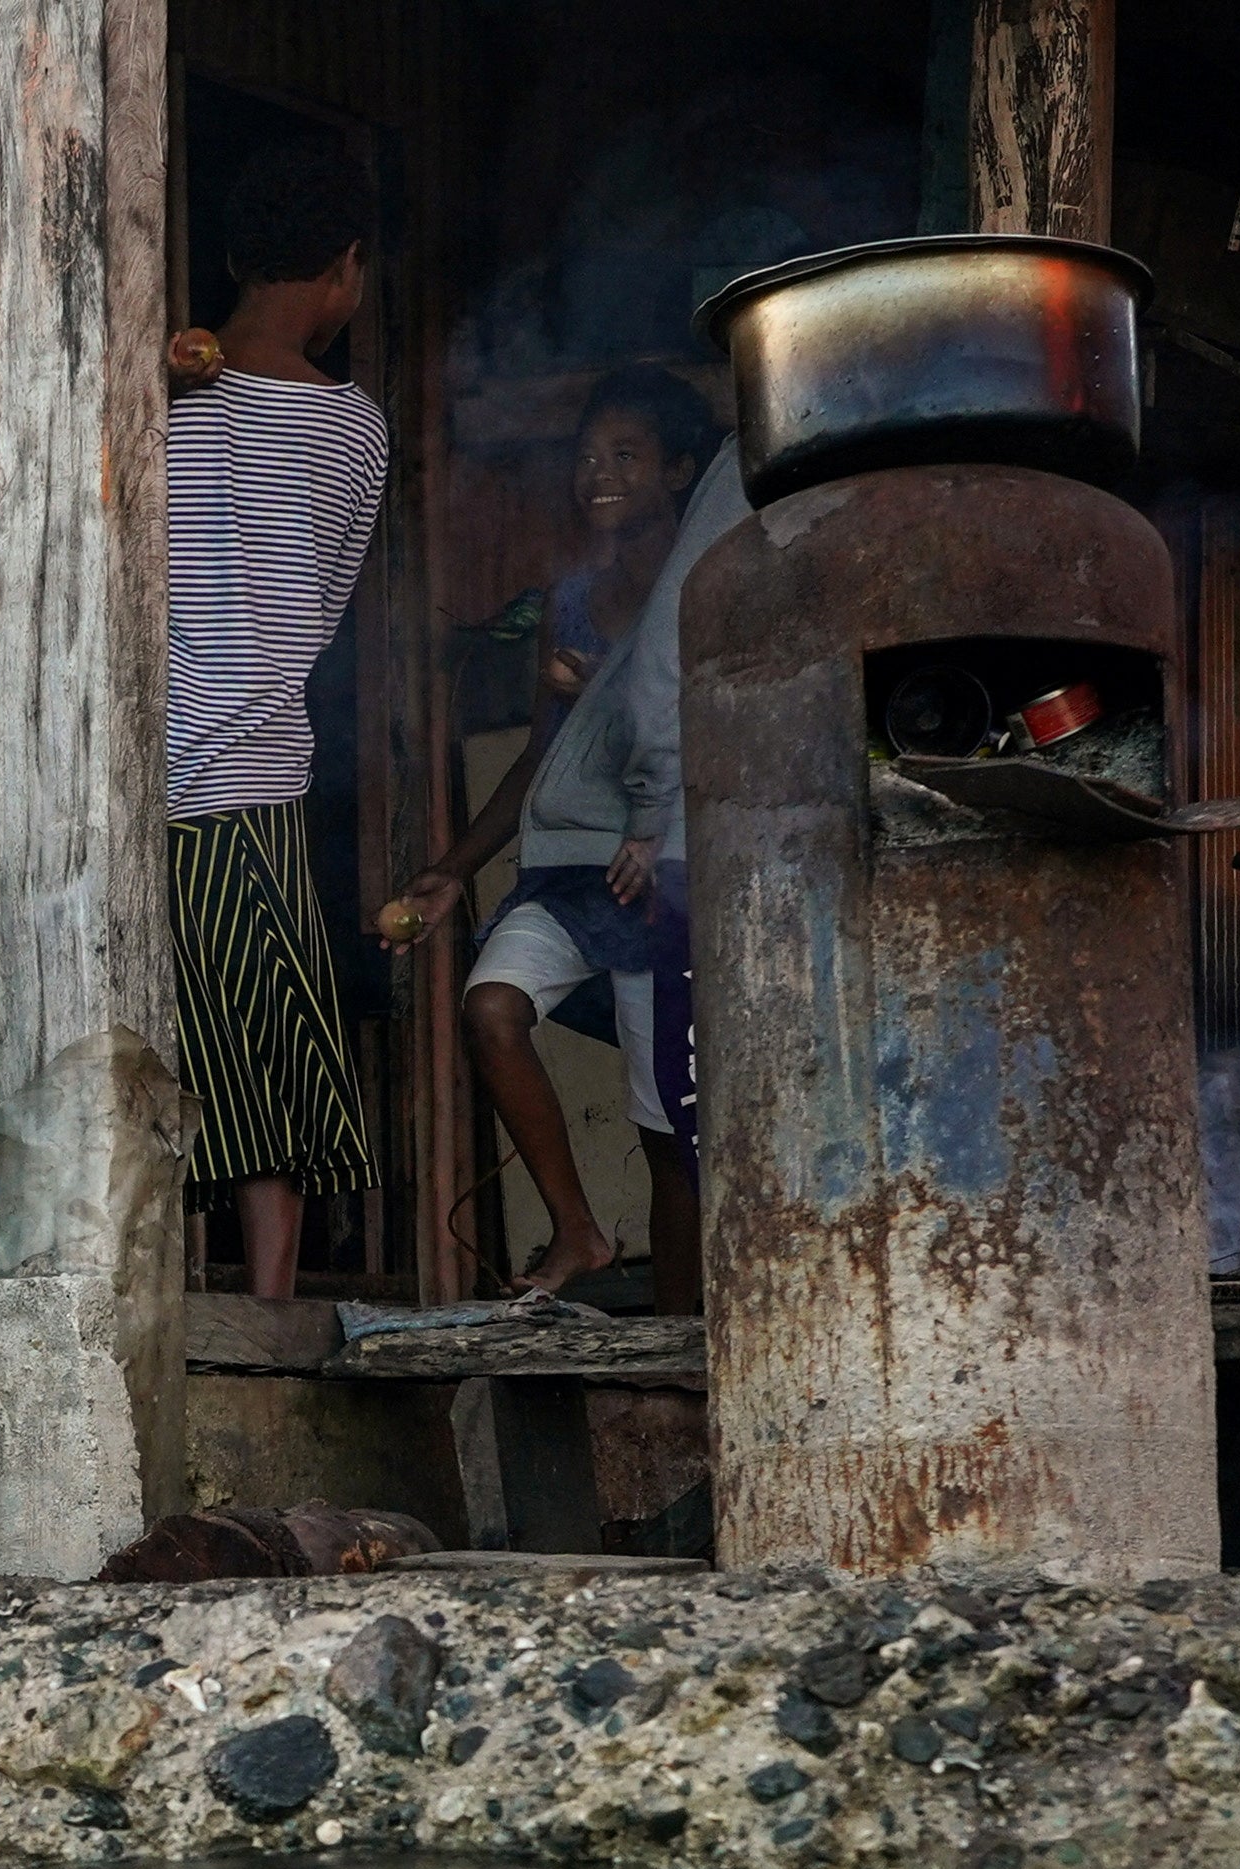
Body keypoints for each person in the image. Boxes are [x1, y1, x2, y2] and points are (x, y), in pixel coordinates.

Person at [384, 373, 746, 1306]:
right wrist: (451, 871)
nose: (599, 475)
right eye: (587, 458)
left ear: (676, 472)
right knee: (491, 1008)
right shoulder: (573, 601)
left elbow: (711, 731)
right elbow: (544, 761)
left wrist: (644, 793)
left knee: (669, 1133)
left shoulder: (713, 588)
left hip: (654, 879)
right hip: (564, 871)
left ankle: (676, 1338)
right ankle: (579, 1228)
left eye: (625, 456)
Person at [164, 140, 394, 1302]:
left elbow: (9, 542)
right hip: (257, 765)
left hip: (124, 776)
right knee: (272, 1039)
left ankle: (173, 1291)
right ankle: (265, 1301)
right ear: (343, 269)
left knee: (173, 1038)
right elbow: (325, 607)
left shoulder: (147, 398)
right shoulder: (354, 429)